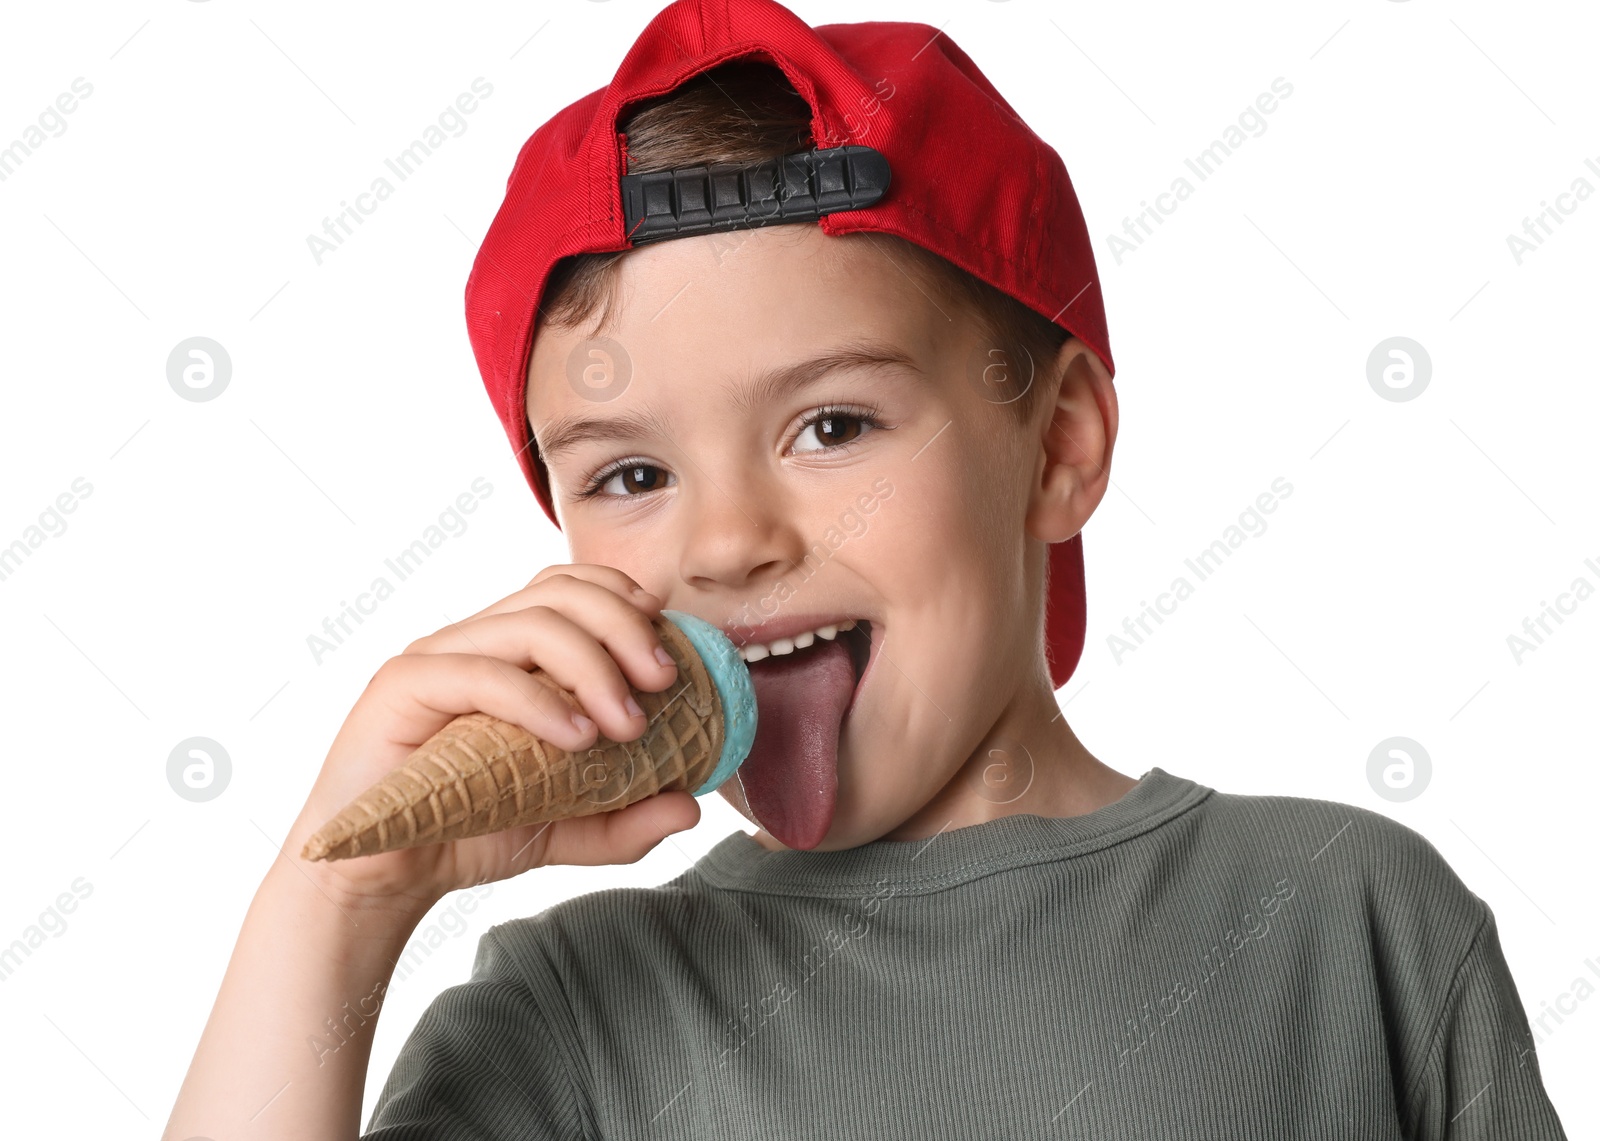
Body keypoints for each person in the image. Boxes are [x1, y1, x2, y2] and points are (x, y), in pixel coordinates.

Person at [164, 0, 1570, 1136]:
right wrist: (333, 905)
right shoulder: (567, 1017)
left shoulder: (1343, 915)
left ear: (1059, 443)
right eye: (631, 474)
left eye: (832, 425)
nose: (725, 543)